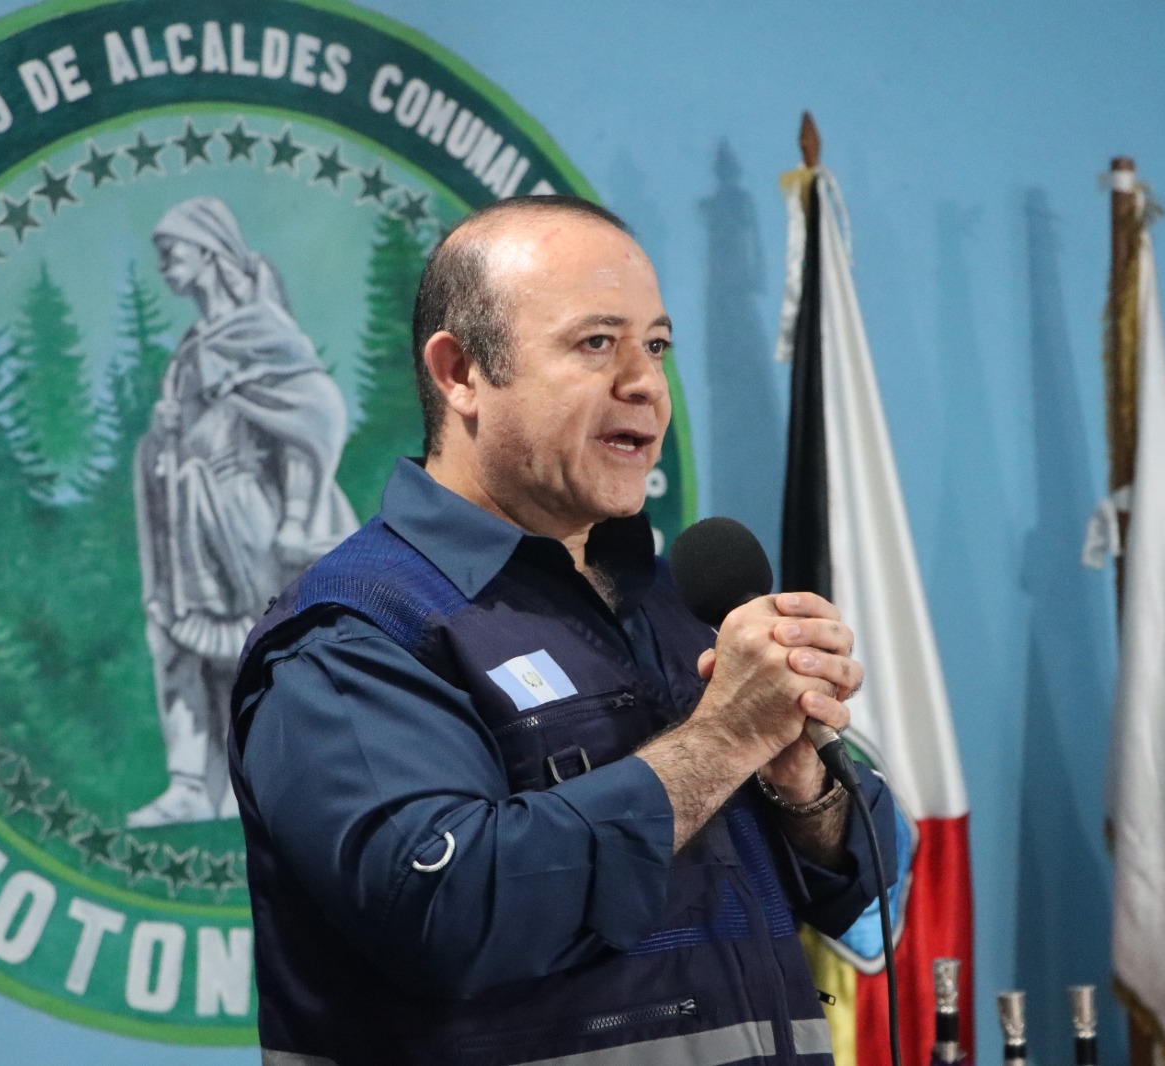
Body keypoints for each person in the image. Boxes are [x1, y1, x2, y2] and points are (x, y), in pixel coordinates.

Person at [229, 196, 897, 1065]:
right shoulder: (353, 635)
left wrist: (801, 784)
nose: (645, 383)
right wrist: (723, 739)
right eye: (596, 344)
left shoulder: (678, 600)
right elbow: (448, 912)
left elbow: (874, 900)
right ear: (461, 371)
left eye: (655, 346)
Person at [129, 196, 358, 828]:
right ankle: (186, 784)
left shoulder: (261, 329)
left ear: (208, 251)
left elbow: (316, 412)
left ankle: (257, 779)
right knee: (177, 643)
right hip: (184, 515)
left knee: (256, 645)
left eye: (172, 249)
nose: (164, 263)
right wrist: (164, 438)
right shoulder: (192, 343)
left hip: (243, 512)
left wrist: (299, 514)